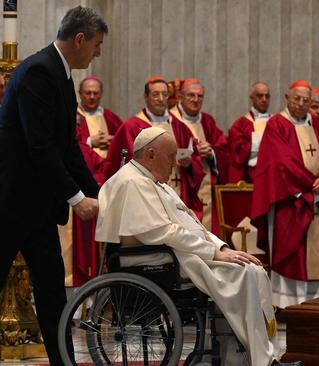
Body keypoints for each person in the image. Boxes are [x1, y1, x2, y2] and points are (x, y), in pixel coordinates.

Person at [95, 127, 303, 366]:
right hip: (156, 259)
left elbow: (192, 224)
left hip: (175, 253)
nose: (175, 163)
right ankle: (259, 361)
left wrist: (222, 249)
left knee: (249, 269)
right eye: (170, 156)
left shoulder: (152, 181)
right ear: (151, 154)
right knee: (243, 273)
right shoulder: (132, 182)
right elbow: (161, 231)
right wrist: (212, 252)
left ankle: (236, 358)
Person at [0, 6, 107, 364]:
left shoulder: (58, 74)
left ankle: (63, 361)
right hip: (10, 202)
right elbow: (40, 146)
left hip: (35, 207)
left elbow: (68, 146)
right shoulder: (38, 72)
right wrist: (77, 199)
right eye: (96, 45)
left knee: (51, 290)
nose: (98, 53)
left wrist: (96, 193)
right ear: (80, 39)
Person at [251, 80, 319, 308]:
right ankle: (290, 306)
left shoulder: (318, 126)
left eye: (306, 100)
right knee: (292, 254)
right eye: (297, 99)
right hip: (290, 201)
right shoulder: (276, 125)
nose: (301, 104)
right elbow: (281, 163)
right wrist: (310, 185)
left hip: (318, 201)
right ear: (287, 98)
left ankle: (318, 304)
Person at [104, 77, 205, 217]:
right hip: (144, 197)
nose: (161, 98)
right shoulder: (132, 127)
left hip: (176, 193)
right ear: (146, 97)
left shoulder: (180, 127)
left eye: (165, 94)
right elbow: (124, 165)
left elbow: (195, 161)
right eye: (155, 94)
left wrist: (189, 164)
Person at [65, 75, 122, 286]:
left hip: (103, 185)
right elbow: (71, 147)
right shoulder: (72, 116)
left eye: (95, 93)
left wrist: (113, 142)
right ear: (80, 93)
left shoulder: (111, 118)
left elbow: (123, 146)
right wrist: (90, 141)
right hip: (80, 189)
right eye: (87, 92)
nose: (91, 97)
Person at [170, 78, 229, 233]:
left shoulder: (208, 121)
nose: (195, 100)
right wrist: (193, 157)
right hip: (180, 184)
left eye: (200, 96)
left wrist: (212, 153)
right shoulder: (170, 120)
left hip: (206, 188)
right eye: (191, 95)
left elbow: (224, 150)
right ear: (181, 96)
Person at [228, 81, 272, 183]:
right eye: (260, 96)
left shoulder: (277, 122)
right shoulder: (240, 124)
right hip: (251, 177)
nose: (264, 100)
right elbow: (238, 154)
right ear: (252, 98)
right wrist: (261, 141)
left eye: (267, 96)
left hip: (273, 176)